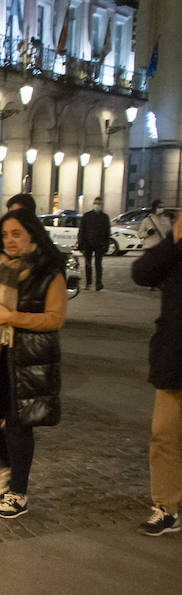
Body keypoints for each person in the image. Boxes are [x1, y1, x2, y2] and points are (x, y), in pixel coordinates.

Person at [0, 208, 67, 519]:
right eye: (6, 234)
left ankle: (18, 493)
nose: (11, 240)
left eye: (17, 233)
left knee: (19, 424)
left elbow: (55, 318)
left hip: (28, 359)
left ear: (33, 234)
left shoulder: (49, 272)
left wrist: (12, 318)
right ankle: (7, 466)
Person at [130, 218, 182, 536]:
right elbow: (141, 273)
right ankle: (166, 507)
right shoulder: (175, 251)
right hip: (174, 358)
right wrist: (172, 241)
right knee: (164, 436)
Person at [77, 196, 110, 291]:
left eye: (99, 204)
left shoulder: (104, 217)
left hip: (100, 244)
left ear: (102, 205)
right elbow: (82, 231)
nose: (97, 205)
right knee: (88, 264)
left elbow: (107, 233)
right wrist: (81, 244)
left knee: (98, 264)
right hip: (87, 244)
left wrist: (106, 245)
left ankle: (98, 283)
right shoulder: (87, 216)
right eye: (96, 203)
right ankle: (88, 283)